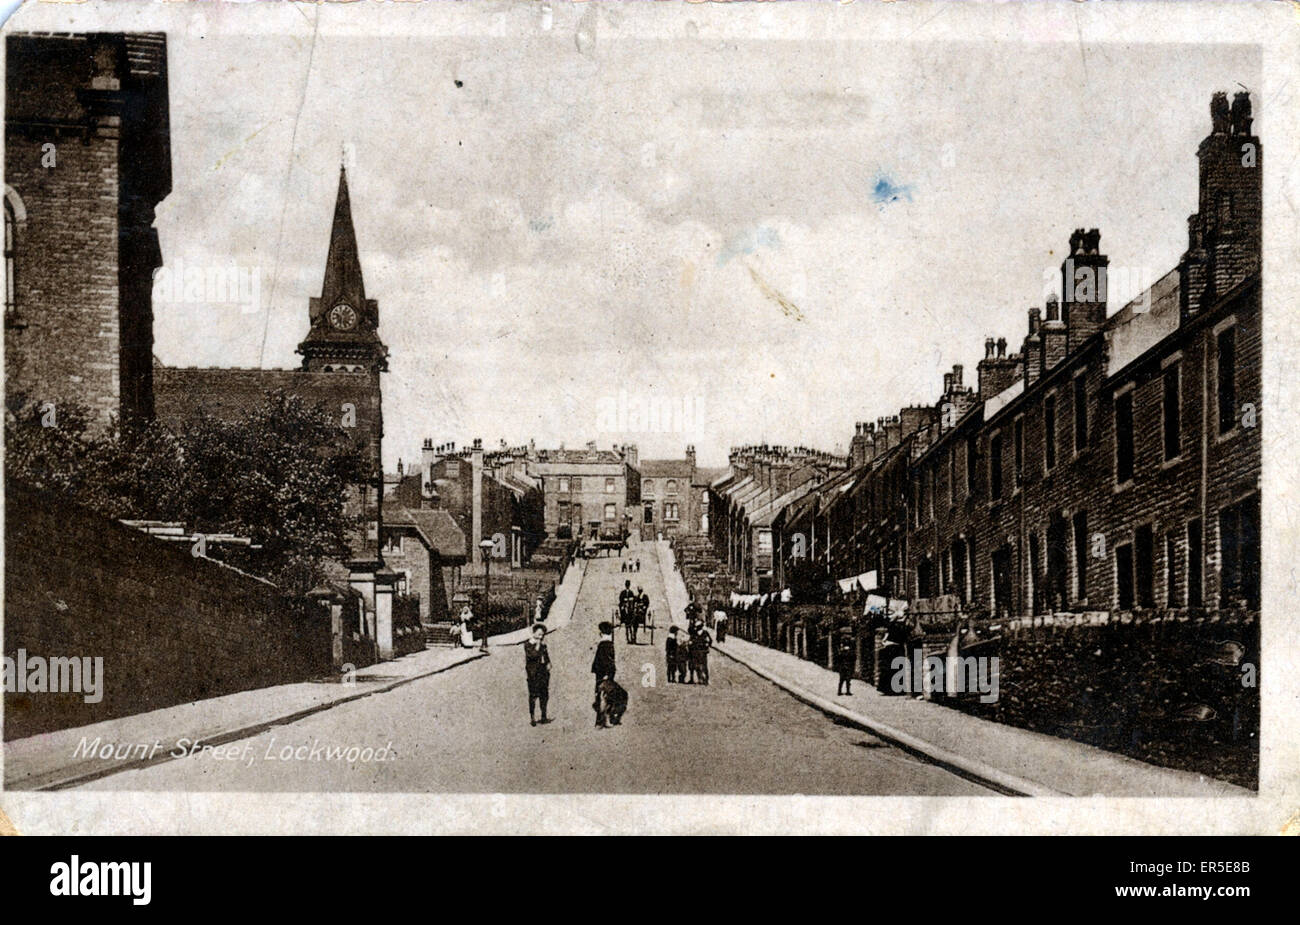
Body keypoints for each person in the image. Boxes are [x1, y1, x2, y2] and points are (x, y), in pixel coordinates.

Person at [524, 623, 552, 725]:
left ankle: (543, 715)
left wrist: (549, 663)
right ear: (534, 633)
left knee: (544, 695)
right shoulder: (528, 644)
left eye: (543, 634)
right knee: (533, 695)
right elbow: (533, 655)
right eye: (539, 634)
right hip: (533, 674)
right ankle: (533, 717)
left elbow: (546, 656)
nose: (541, 636)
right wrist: (538, 644)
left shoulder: (543, 645)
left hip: (543, 673)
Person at [591, 621, 617, 727]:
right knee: (606, 696)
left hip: (601, 673)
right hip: (605, 673)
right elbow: (608, 661)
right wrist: (608, 673)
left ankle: (599, 721)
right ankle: (603, 721)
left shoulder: (603, 644)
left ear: (601, 633)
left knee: (600, 696)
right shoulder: (608, 644)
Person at [835, 630, 855, 696]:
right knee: (842, 679)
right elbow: (839, 658)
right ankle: (840, 691)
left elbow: (853, 657)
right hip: (843, 666)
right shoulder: (841, 649)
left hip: (847, 665)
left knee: (848, 679)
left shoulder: (850, 647)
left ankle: (847, 691)